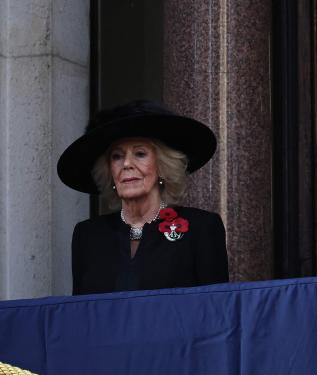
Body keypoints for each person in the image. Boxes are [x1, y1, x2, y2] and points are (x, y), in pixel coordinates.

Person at [57, 100, 229, 294]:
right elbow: (82, 313)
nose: (127, 164)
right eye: (116, 156)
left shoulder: (201, 228)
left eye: (140, 153)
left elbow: (216, 310)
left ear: (162, 166)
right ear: (109, 172)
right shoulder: (88, 235)